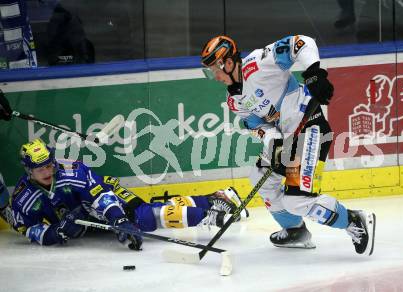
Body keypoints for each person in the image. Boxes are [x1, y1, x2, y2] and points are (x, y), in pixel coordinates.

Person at [200, 35, 376, 255]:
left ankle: (352, 220)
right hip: (285, 139)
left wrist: (313, 72)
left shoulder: (258, 63)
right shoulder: (234, 100)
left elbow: (301, 43)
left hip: (310, 128)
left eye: (214, 69)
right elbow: (256, 124)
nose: (214, 76)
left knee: (297, 201)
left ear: (227, 63)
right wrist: (273, 142)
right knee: (259, 178)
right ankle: (295, 230)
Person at [10, 138, 248, 250]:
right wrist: (55, 232)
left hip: (105, 195)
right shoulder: (23, 197)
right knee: (146, 212)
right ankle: (217, 196)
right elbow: (26, 228)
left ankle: (210, 214)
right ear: (28, 170)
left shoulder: (73, 171)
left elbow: (100, 196)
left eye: (50, 164)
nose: (48, 171)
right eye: (40, 168)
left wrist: (119, 219)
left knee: (142, 217)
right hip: (88, 218)